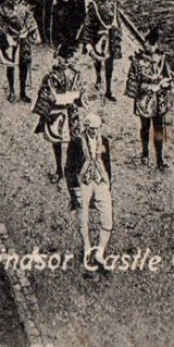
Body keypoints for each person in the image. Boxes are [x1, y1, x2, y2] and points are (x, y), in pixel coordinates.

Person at [65, 108, 113, 273]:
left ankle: (100, 251)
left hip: (100, 181)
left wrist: (108, 183)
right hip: (83, 182)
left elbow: (107, 163)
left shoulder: (104, 141)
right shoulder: (76, 143)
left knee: (107, 217)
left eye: (97, 128)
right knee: (82, 215)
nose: (95, 131)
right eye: (91, 128)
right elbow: (69, 168)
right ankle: (86, 246)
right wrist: (74, 189)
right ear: (86, 127)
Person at [33, 44, 86, 184]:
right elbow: (45, 95)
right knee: (57, 141)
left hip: (70, 112)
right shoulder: (52, 77)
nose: (67, 61)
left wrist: (77, 96)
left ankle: (72, 168)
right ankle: (59, 169)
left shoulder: (75, 75)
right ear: (59, 58)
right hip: (57, 113)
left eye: (69, 58)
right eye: (65, 58)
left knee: (73, 141)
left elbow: (81, 93)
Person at [124, 27, 173, 169]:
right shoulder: (137, 61)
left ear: (157, 44)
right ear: (144, 43)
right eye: (148, 43)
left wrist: (164, 85)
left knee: (158, 128)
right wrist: (144, 89)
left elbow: (167, 77)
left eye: (153, 44)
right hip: (144, 99)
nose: (150, 47)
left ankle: (160, 158)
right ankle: (145, 153)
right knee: (145, 126)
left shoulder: (162, 60)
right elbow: (132, 81)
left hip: (158, 100)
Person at [0, 0, 39, 103]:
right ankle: (12, 91)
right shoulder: (3, 8)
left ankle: (23, 92)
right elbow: (0, 24)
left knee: (23, 66)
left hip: (23, 40)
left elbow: (31, 23)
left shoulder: (26, 8)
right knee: (10, 66)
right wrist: (7, 36)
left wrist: (26, 32)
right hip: (10, 40)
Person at [81, 0, 122, 102]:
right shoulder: (94, 6)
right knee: (98, 60)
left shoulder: (114, 3)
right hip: (98, 39)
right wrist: (88, 42)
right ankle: (98, 77)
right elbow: (87, 25)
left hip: (110, 38)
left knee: (110, 64)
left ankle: (108, 89)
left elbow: (117, 20)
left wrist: (119, 34)